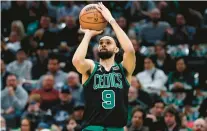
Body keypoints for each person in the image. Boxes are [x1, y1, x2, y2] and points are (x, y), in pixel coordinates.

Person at [72, 2, 136, 131]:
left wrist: (111, 20)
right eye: (101, 42)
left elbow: (130, 50)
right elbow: (77, 60)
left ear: (116, 49)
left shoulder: (124, 70)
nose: (103, 44)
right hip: (93, 127)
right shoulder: (91, 67)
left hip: (116, 128)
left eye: (108, 42)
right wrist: (88, 35)